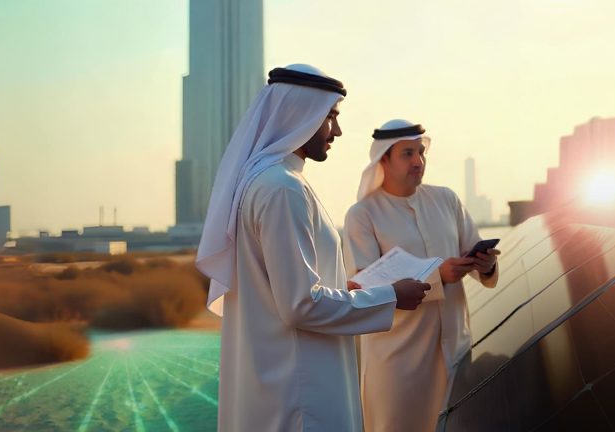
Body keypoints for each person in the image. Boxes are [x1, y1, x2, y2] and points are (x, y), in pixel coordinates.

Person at [195, 66, 431, 432]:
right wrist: (391, 297)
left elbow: (286, 287)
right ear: (300, 115)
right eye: (330, 117)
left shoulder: (272, 180)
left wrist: (341, 288)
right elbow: (301, 304)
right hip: (300, 392)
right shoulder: (282, 188)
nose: (336, 131)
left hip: (287, 378)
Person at [343, 119, 500, 432]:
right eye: (407, 154)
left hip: (456, 356)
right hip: (397, 366)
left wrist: (485, 266)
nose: (418, 161)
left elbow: (479, 258)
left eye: (421, 153)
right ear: (383, 159)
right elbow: (362, 289)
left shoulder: (447, 200)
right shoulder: (362, 215)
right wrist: (438, 277)